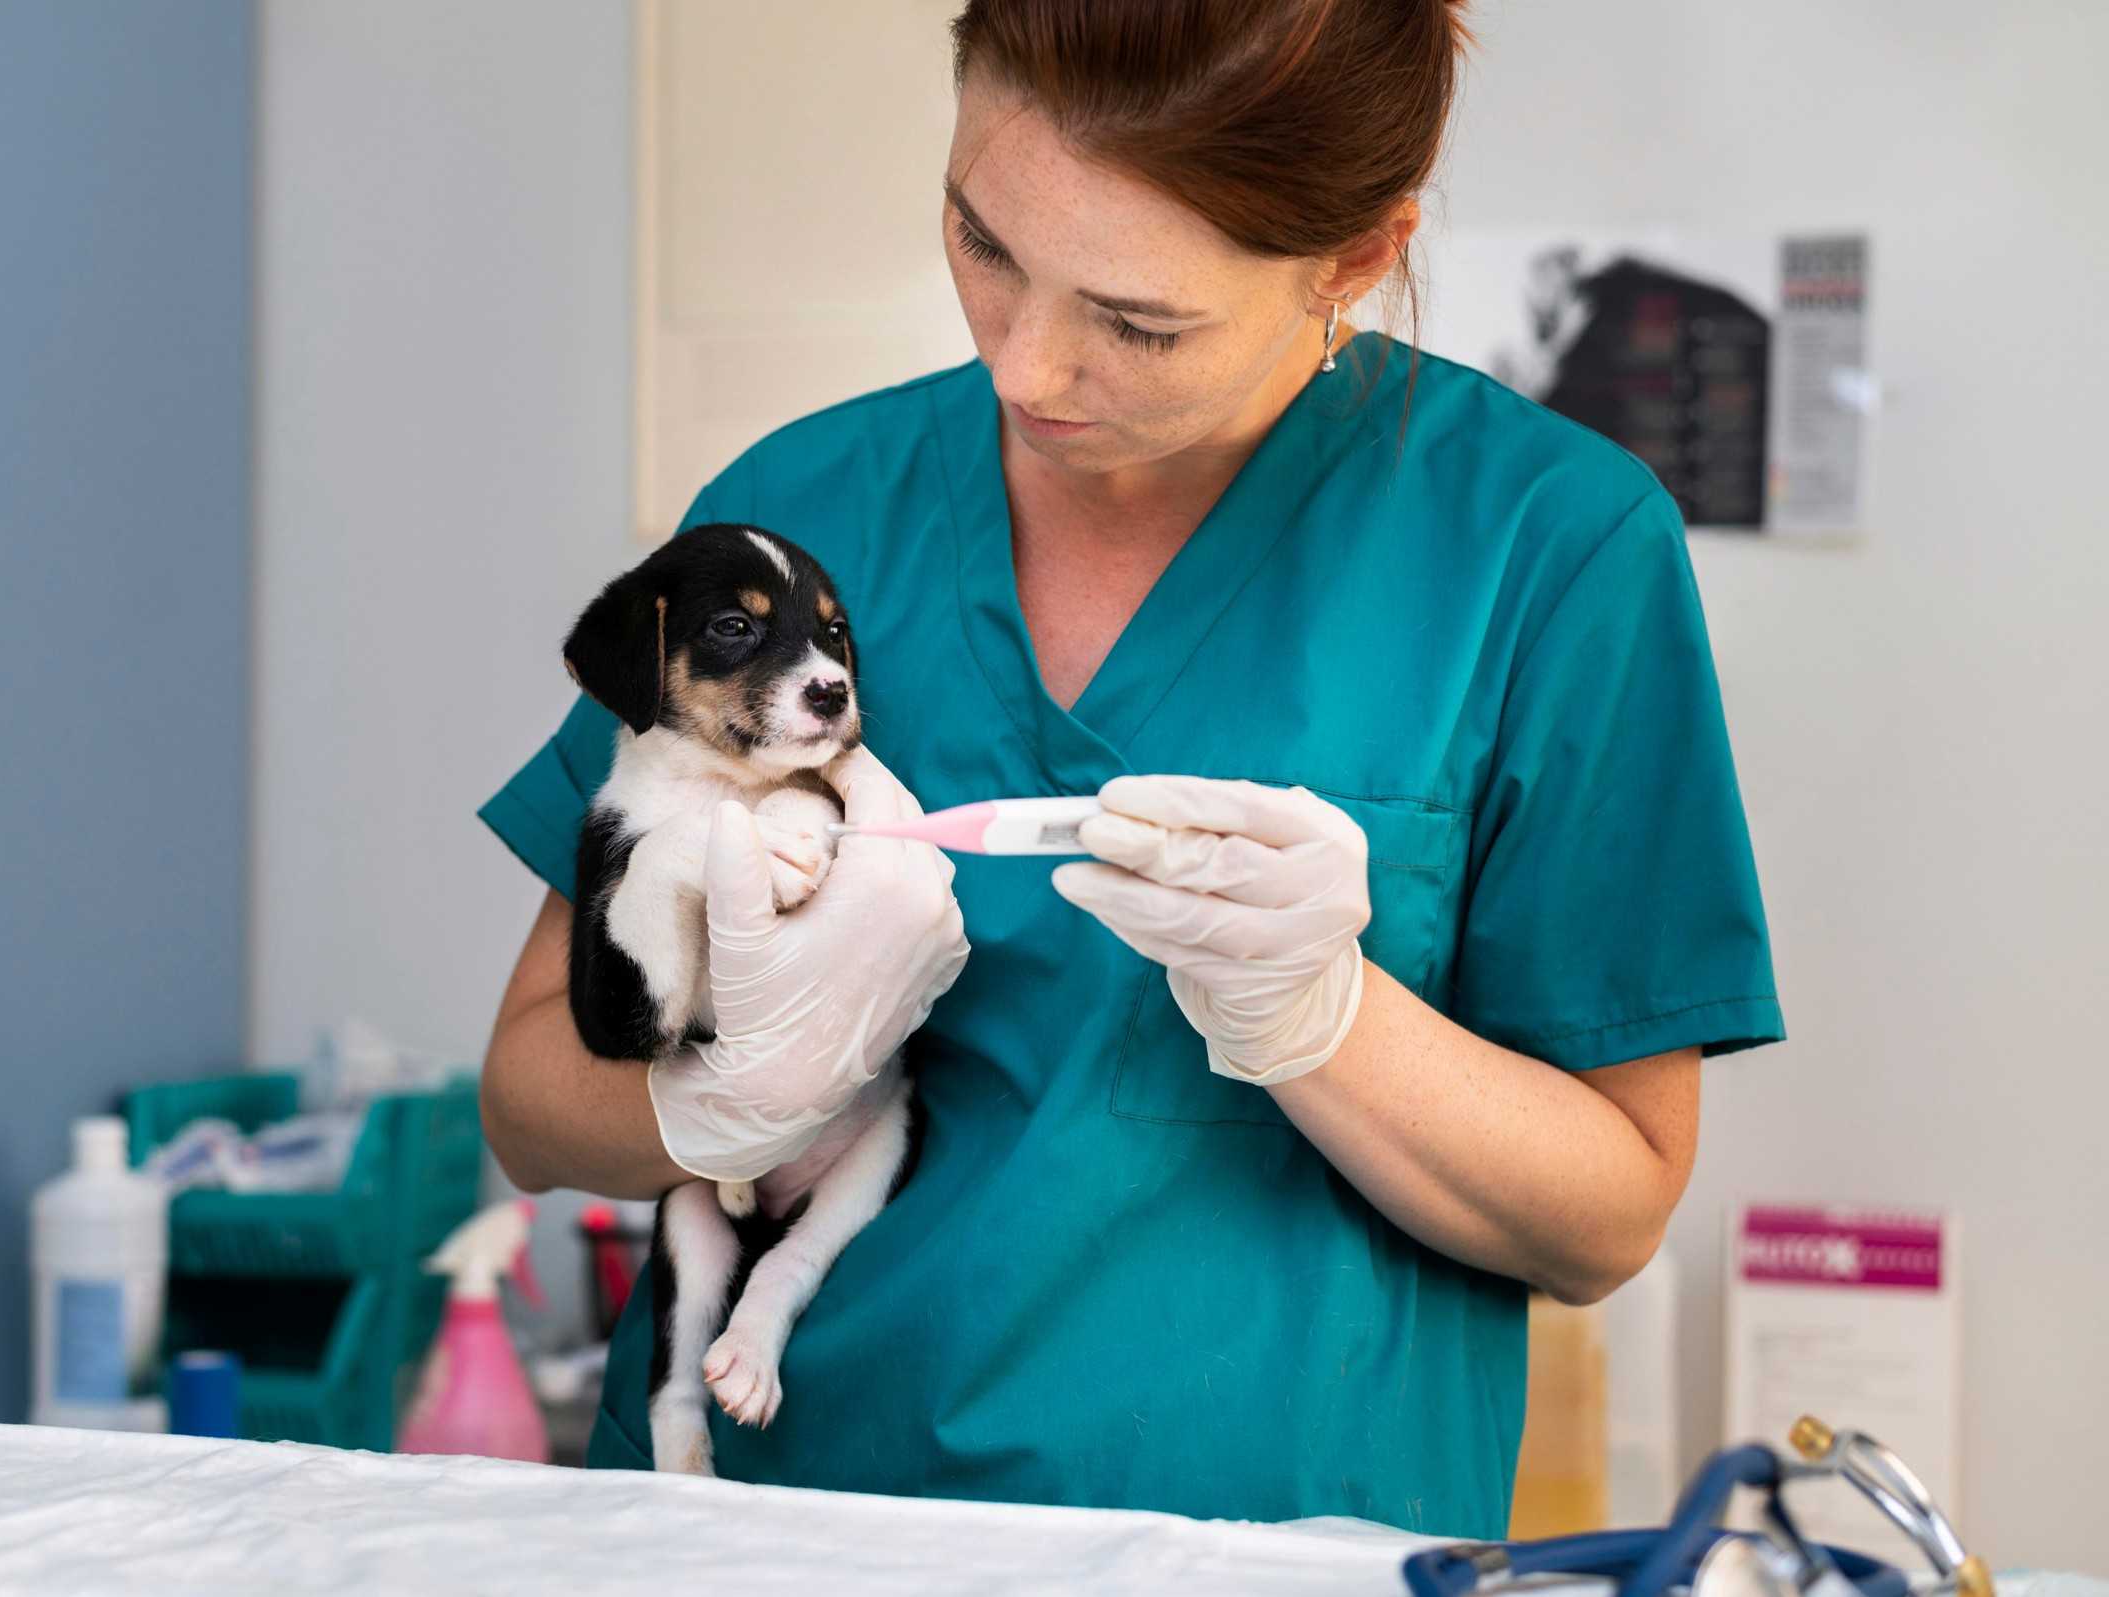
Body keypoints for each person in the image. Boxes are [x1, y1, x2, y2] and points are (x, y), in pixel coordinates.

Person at [478, 0, 1782, 1537]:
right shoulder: (798, 515)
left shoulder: (1549, 553)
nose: (1027, 366)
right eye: (982, 242)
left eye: (1137, 322)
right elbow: (528, 1090)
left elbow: (1609, 1209)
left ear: (1356, 256)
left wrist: (1328, 1021)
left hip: (1269, 1555)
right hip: (755, 1533)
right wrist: (734, 1097)